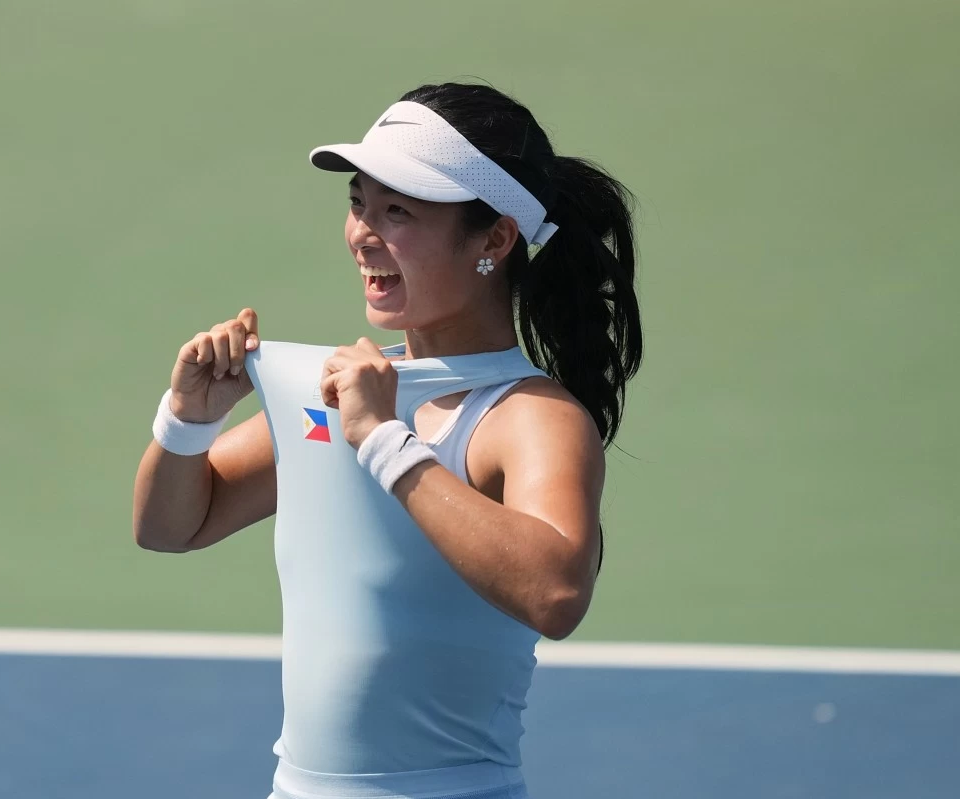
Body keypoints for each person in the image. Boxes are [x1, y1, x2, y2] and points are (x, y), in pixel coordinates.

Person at [132, 82, 643, 799]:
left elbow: (556, 592)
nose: (364, 232)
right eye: (359, 203)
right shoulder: (336, 390)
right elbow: (169, 526)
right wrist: (189, 417)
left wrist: (384, 440)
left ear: (494, 238)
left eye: (397, 211)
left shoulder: (530, 416)